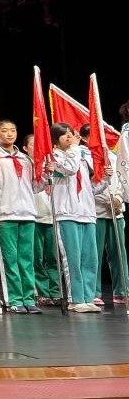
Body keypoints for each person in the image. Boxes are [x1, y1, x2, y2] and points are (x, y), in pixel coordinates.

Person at [0, 120, 43, 314]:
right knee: (10, 259)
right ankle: (13, 299)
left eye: (13, 130)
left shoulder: (26, 160)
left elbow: (36, 187)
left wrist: (45, 175)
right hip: (6, 214)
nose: (10, 134)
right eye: (4, 131)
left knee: (27, 259)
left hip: (27, 213)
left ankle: (29, 298)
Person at [50, 122, 102, 313]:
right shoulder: (54, 157)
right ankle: (76, 299)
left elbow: (93, 187)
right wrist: (75, 148)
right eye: (64, 134)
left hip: (87, 212)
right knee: (73, 258)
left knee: (90, 259)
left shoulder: (80, 157)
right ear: (56, 140)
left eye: (71, 133)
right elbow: (70, 169)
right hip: (67, 213)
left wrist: (105, 179)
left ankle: (88, 297)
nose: (69, 137)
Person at [80, 124, 127, 307]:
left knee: (119, 253)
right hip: (96, 211)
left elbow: (122, 179)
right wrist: (107, 201)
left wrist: (118, 199)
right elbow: (89, 185)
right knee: (95, 254)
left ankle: (122, 291)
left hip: (116, 212)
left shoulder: (113, 156)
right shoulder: (83, 156)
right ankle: (93, 291)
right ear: (85, 138)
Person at [26, 133, 59, 306]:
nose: (38, 148)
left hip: (53, 218)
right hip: (35, 218)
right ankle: (42, 291)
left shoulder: (53, 165)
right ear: (25, 148)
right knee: (37, 259)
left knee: (54, 258)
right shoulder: (25, 165)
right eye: (34, 145)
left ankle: (56, 291)